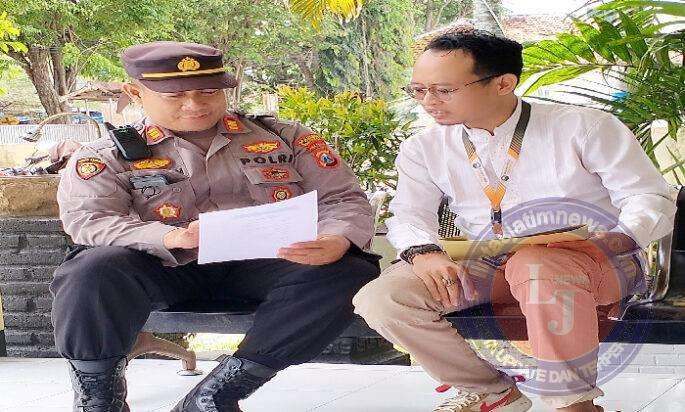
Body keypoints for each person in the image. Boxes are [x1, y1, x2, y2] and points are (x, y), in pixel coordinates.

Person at [353, 30, 676, 412]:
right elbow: (409, 214)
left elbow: (650, 197)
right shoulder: (423, 147)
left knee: (535, 266)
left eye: (444, 90)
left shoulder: (583, 127)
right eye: (418, 90)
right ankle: (492, 391)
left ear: (503, 83)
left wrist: (616, 240)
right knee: (383, 298)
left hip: (593, 260)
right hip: (486, 261)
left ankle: (574, 406)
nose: (428, 102)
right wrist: (424, 253)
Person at [50, 41, 380, 412]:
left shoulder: (285, 138)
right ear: (136, 92)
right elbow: (89, 220)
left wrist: (336, 238)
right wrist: (170, 236)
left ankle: (214, 396)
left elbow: (343, 199)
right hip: (166, 266)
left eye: (208, 91)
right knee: (90, 271)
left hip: (268, 263)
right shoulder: (105, 155)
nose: (195, 104)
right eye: (175, 95)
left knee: (349, 270)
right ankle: (98, 400)